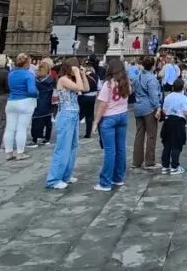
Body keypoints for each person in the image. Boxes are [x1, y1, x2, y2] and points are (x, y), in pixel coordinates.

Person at [46, 58, 88, 189]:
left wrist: (82, 74)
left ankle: (66, 175)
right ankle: (54, 179)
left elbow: (85, 88)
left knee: (73, 146)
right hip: (65, 115)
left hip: (74, 114)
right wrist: (76, 73)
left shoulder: (72, 79)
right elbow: (80, 88)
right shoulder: (63, 79)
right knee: (63, 147)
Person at [94, 59, 130, 190]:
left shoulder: (108, 84)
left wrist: (95, 122)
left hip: (109, 117)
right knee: (121, 148)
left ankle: (105, 182)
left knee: (110, 151)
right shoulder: (126, 83)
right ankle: (118, 177)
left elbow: (102, 105)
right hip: (123, 116)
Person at [4, 53, 38, 160]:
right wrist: (37, 93)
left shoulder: (11, 74)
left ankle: (8, 152)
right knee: (21, 129)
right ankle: (20, 152)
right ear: (27, 63)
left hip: (11, 101)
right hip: (25, 101)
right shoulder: (28, 75)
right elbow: (32, 91)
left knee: (9, 128)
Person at [132, 56, 162, 170]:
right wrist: (158, 107)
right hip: (149, 108)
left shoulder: (137, 76)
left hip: (138, 107)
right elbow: (153, 95)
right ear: (153, 66)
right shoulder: (151, 79)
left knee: (139, 135)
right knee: (151, 135)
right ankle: (149, 161)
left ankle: (136, 161)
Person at [160, 79, 187, 175]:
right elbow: (186, 111)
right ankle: (174, 166)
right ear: (182, 88)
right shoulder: (183, 98)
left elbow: (164, 110)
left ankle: (165, 166)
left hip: (168, 121)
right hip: (178, 122)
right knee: (176, 144)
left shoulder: (168, 97)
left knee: (167, 144)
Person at [30, 59, 56, 146]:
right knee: (48, 121)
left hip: (37, 102)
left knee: (36, 121)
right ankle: (47, 138)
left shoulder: (35, 80)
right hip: (48, 102)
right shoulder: (51, 80)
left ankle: (35, 139)